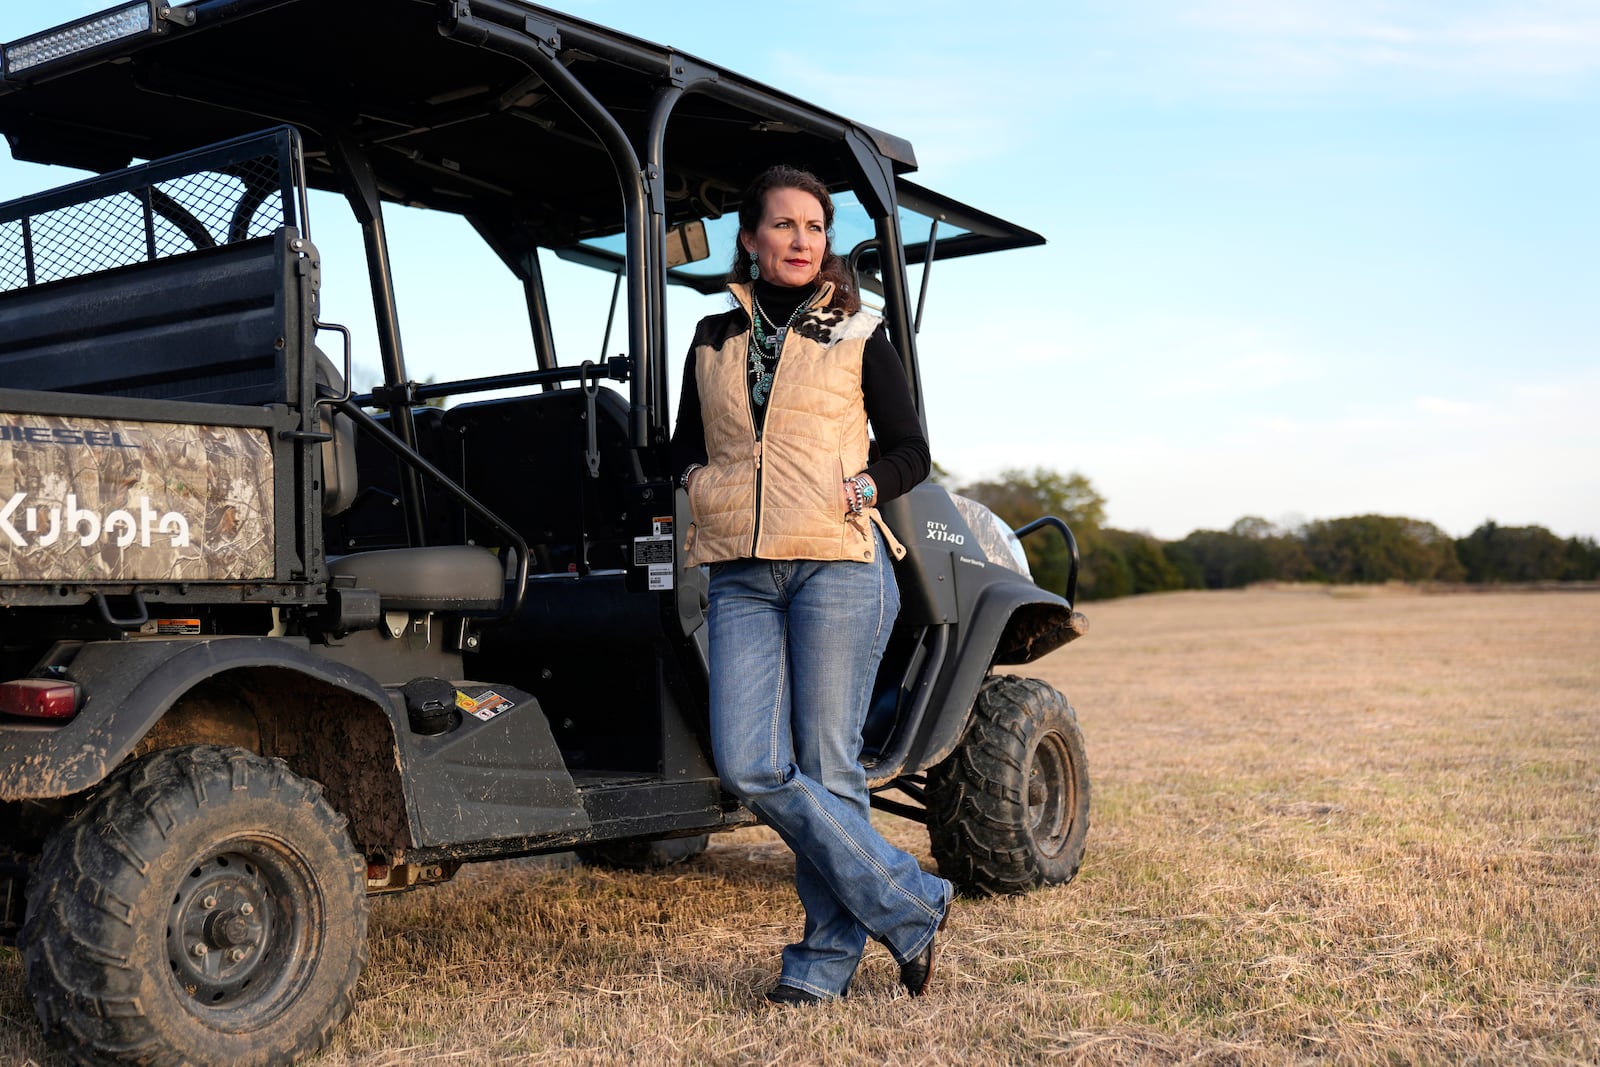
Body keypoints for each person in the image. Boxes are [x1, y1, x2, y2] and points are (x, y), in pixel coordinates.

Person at [671, 164, 952, 1004]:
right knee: (750, 763)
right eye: (784, 226)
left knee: (829, 768)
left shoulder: (859, 334)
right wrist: (695, 483)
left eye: (815, 227)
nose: (801, 240)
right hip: (740, 574)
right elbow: (685, 443)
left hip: (838, 564)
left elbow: (910, 448)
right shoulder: (712, 338)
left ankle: (823, 964)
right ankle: (912, 899)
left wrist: (863, 488)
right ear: (751, 238)